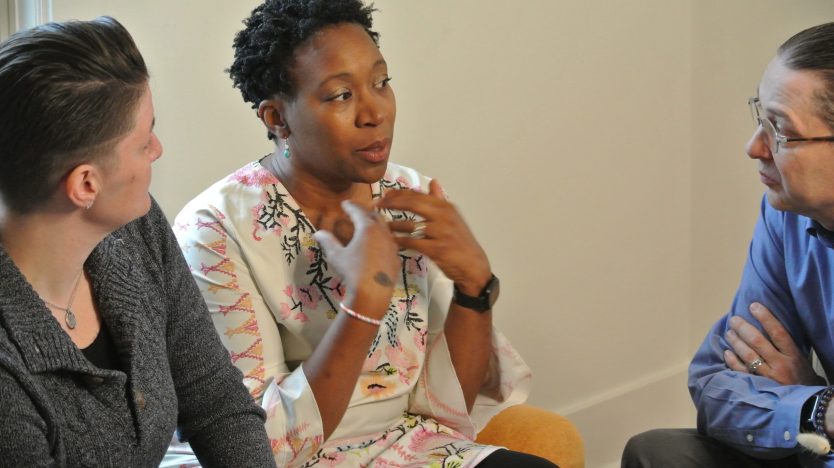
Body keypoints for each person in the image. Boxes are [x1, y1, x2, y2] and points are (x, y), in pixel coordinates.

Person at [171, 0, 552, 466]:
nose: (375, 113)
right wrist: (364, 304)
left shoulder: (409, 194)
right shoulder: (215, 229)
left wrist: (476, 289)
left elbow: (444, 411)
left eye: (381, 82)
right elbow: (259, 446)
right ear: (277, 118)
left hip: (408, 444)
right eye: (340, 95)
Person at [0, 17, 275, 466]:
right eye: (144, 140)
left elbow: (216, 402)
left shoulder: (135, 233)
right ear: (86, 185)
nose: (158, 149)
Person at [622, 22, 834, 468]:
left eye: (779, 129)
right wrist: (818, 406)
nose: (754, 147)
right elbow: (715, 382)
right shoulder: (784, 215)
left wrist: (800, 397)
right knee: (655, 452)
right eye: (760, 118)